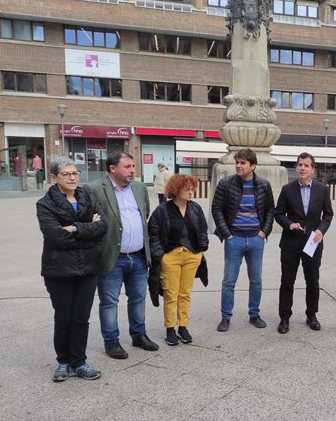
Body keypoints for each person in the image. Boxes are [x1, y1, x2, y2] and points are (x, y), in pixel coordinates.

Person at [36, 157, 107, 381]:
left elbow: (102, 227)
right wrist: (88, 231)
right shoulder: (45, 204)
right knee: (64, 317)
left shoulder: (88, 196)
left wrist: (75, 228)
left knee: (81, 318)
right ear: (54, 177)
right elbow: (55, 237)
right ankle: (63, 362)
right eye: (66, 174)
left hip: (88, 269)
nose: (72, 177)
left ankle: (79, 361)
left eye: (75, 172)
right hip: (59, 270)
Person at [85, 151, 159, 359]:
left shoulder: (139, 187)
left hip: (138, 256)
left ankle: (139, 335)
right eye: (127, 167)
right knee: (109, 301)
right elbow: (89, 222)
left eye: (133, 166)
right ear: (113, 168)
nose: (133, 170)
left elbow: (144, 215)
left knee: (138, 298)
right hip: (112, 257)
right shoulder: (93, 189)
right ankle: (111, 341)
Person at [211, 148, 275, 332]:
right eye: (237, 162)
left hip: (256, 239)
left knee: (256, 280)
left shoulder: (263, 185)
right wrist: (227, 234)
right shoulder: (226, 184)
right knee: (229, 280)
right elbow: (216, 209)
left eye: (242, 163)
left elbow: (271, 209)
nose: (238, 166)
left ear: (253, 166)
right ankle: (225, 317)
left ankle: (254, 314)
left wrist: (264, 232)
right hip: (235, 239)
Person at [274, 153, 334, 334]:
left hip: (313, 243)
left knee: (313, 281)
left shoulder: (322, 190)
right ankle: (284, 318)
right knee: (287, 282)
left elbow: (328, 215)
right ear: (296, 167)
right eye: (300, 164)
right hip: (290, 243)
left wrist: (321, 230)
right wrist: (289, 224)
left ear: (312, 169)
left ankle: (312, 315)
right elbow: (278, 213)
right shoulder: (287, 189)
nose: (302, 168)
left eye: (306, 165)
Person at [148, 174, 209, 346]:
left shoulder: (195, 208)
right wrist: (161, 256)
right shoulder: (162, 210)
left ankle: (183, 326)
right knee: (171, 294)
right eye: (187, 189)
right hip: (170, 257)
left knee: (185, 293)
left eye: (192, 189)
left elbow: (202, 229)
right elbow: (153, 233)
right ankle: (170, 328)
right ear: (176, 190)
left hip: (191, 256)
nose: (191, 192)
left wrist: (201, 249)